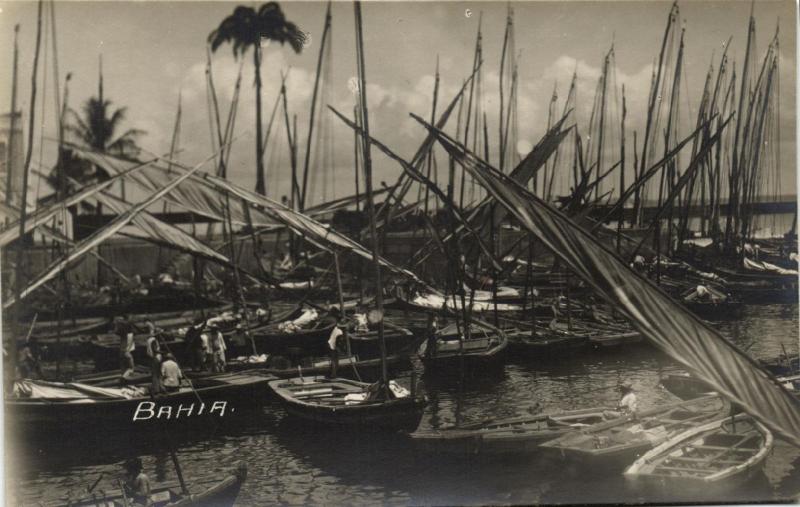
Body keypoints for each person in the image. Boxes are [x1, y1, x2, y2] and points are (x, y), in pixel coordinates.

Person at [144, 321, 163, 393]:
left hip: (151, 358)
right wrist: (164, 353)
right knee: (158, 374)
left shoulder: (148, 340)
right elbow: (155, 350)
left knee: (154, 374)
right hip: (156, 358)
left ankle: (157, 388)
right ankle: (158, 389)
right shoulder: (154, 340)